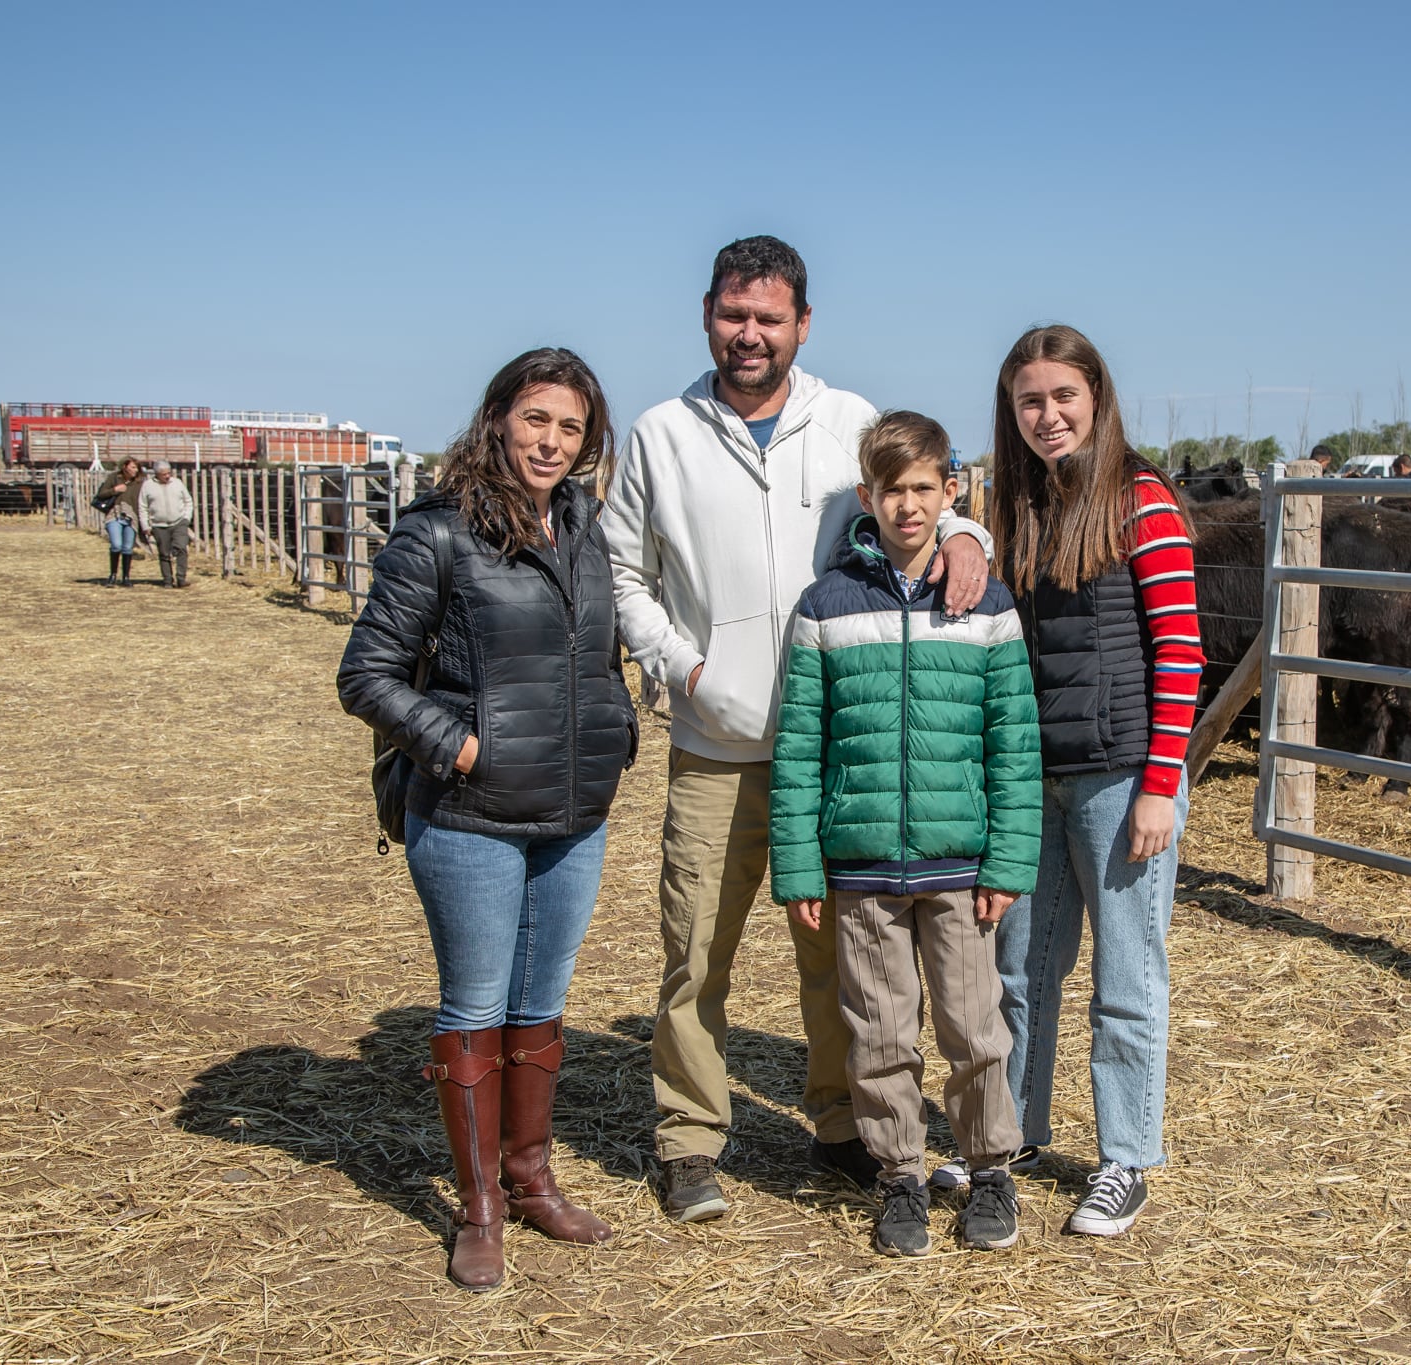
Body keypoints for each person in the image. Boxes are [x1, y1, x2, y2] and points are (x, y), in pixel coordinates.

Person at [603, 235, 993, 1222]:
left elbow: (917, 503)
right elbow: (622, 576)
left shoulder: (846, 421)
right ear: (706, 315)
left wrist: (964, 536)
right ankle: (689, 1140)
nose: (749, 334)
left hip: (841, 749)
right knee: (696, 949)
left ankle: (841, 1126)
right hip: (713, 741)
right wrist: (684, 670)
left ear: (801, 325)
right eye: (734, 316)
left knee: (843, 957)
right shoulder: (661, 434)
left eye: (768, 318)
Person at [337, 348, 637, 1291]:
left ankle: (532, 1175)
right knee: (474, 1005)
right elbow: (366, 674)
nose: (551, 441)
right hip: (469, 814)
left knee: (540, 1005)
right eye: (536, 418)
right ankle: (479, 1209)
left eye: (571, 427)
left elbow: (596, 651)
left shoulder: (583, 525)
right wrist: (457, 744)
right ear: (499, 416)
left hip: (574, 811)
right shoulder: (439, 532)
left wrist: (615, 723)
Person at [770, 410, 1042, 1257]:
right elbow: (800, 743)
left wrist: (1008, 858)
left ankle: (991, 1168)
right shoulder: (826, 605)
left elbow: (1014, 741)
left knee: (973, 1025)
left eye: (925, 488)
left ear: (950, 493)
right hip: (858, 865)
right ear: (868, 496)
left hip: (959, 863)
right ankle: (899, 1177)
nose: (909, 505)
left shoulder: (986, 604)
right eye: (893, 490)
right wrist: (801, 867)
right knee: (880, 1031)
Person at [982, 324, 1204, 1238]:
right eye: (1029, 400)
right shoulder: (1018, 508)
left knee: (1126, 971)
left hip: (1121, 776)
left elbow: (1182, 650)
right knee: (1020, 967)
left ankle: (1125, 1158)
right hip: (1039, 774)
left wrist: (1162, 781)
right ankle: (1013, 1132)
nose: (1047, 415)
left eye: (1063, 396)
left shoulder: (1140, 499)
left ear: (1097, 397)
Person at [138, 460, 193, 588]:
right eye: (164, 474)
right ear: (157, 474)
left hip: (179, 522)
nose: (167, 476)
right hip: (158, 524)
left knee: (181, 548)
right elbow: (143, 507)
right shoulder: (147, 486)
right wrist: (145, 525)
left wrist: (186, 518)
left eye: (169, 473)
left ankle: (181, 578)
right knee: (164, 552)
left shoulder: (177, 483)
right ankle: (167, 580)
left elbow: (188, 501)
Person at [95, 457, 144, 585]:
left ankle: (126, 577)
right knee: (116, 544)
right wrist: (115, 490)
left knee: (128, 547)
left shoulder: (140, 483)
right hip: (114, 514)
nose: (135, 470)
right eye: (133, 467)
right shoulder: (114, 478)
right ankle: (113, 575)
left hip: (131, 516)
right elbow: (101, 494)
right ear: (125, 467)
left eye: (137, 467)